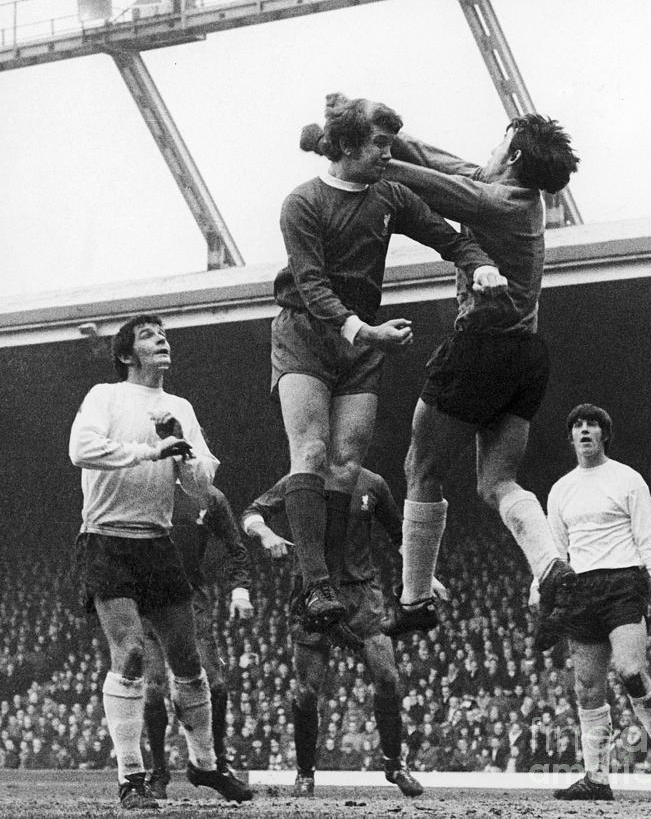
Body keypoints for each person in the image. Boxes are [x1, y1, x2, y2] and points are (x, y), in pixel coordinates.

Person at [301, 105, 580, 647]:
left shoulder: (499, 201)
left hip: (481, 347)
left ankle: (415, 601)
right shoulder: (502, 187)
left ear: (515, 155)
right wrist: (366, 122)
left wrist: (337, 148)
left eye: (501, 143)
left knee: (421, 468)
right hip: (526, 355)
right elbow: (425, 156)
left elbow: (408, 177)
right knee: (496, 482)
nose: (492, 150)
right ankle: (551, 568)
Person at [274, 93, 490, 631]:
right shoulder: (302, 202)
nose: (387, 155)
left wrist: (479, 263)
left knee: (348, 459)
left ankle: (336, 582)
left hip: (361, 339)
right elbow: (313, 285)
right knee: (314, 448)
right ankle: (314, 583)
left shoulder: (389, 194)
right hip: (307, 328)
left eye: (392, 143)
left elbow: (448, 238)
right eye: (379, 144)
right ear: (345, 146)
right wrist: (364, 331)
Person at [68, 313, 253, 810]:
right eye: (149, 336)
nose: (162, 339)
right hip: (106, 538)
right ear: (127, 354)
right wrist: (153, 451)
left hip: (158, 540)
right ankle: (132, 777)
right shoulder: (105, 396)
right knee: (128, 655)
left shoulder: (180, 407)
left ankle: (205, 764)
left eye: (163, 334)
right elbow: (80, 449)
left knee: (188, 664)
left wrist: (184, 451)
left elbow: (200, 485)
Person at [240, 468, 435, 798]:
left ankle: (395, 765)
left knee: (388, 678)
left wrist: (423, 577)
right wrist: (265, 533)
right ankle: (304, 774)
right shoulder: (298, 481)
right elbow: (252, 512)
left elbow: (400, 536)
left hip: (362, 595)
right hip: (314, 595)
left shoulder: (373, 483)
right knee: (306, 691)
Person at [540, 403, 651, 803]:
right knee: (587, 689)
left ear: (604, 434)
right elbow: (556, 551)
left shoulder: (628, 479)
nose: (585, 430)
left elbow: (647, 536)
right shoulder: (560, 490)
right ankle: (597, 779)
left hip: (624, 582)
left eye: (592, 425)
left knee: (630, 671)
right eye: (577, 426)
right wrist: (540, 589)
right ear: (570, 437)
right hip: (580, 589)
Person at [143, 483, 254, 800]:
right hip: (146, 601)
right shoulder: (142, 485)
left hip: (191, 600)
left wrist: (240, 590)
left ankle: (216, 764)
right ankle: (158, 774)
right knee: (152, 691)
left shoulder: (210, 497)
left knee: (216, 686)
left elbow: (237, 548)